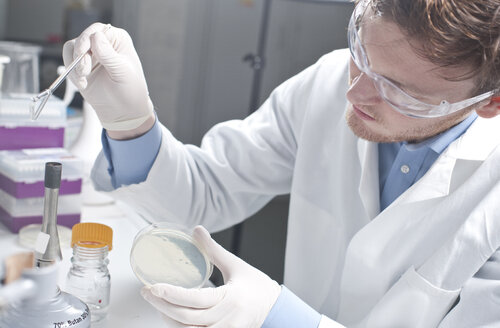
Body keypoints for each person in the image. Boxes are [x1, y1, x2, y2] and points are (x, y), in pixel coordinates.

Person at [63, 0, 500, 326]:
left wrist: (279, 315)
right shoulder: (328, 83)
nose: (356, 94)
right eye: (362, 54)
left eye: (403, 93)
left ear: (489, 103)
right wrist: (130, 122)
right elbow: (203, 195)